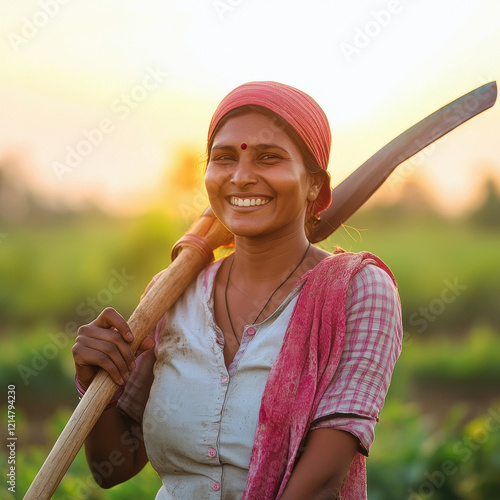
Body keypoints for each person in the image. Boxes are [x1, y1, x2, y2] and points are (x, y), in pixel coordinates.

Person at [72, 81, 403, 499]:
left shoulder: (358, 290)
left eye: (269, 158)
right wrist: (96, 382)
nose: (242, 177)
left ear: (315, 184)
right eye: (224, 158)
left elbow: (321, 484)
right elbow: (113, 467)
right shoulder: (172, 294)